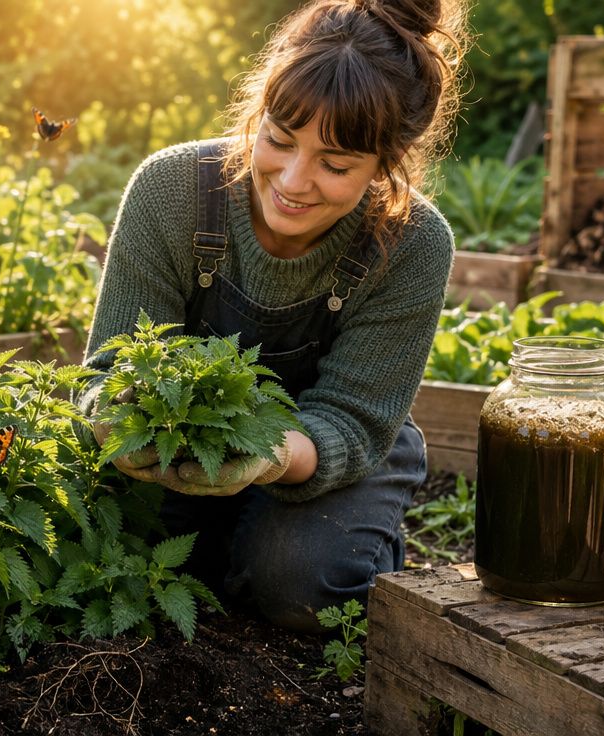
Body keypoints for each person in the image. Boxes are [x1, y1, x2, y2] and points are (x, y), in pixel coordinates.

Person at [79, 0, 468, 632]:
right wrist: (115, 416)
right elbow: (110, 366)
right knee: (125, 553)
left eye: (335, 165)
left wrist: (265, 457)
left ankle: (359, 553)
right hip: (188, 443)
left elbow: (351, 416)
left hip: (327, 451)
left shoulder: (414, 243)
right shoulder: (173, 190)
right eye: (279, 140)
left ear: (386, 163)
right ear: (258, 113)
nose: (292, 180)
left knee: (297, 586)